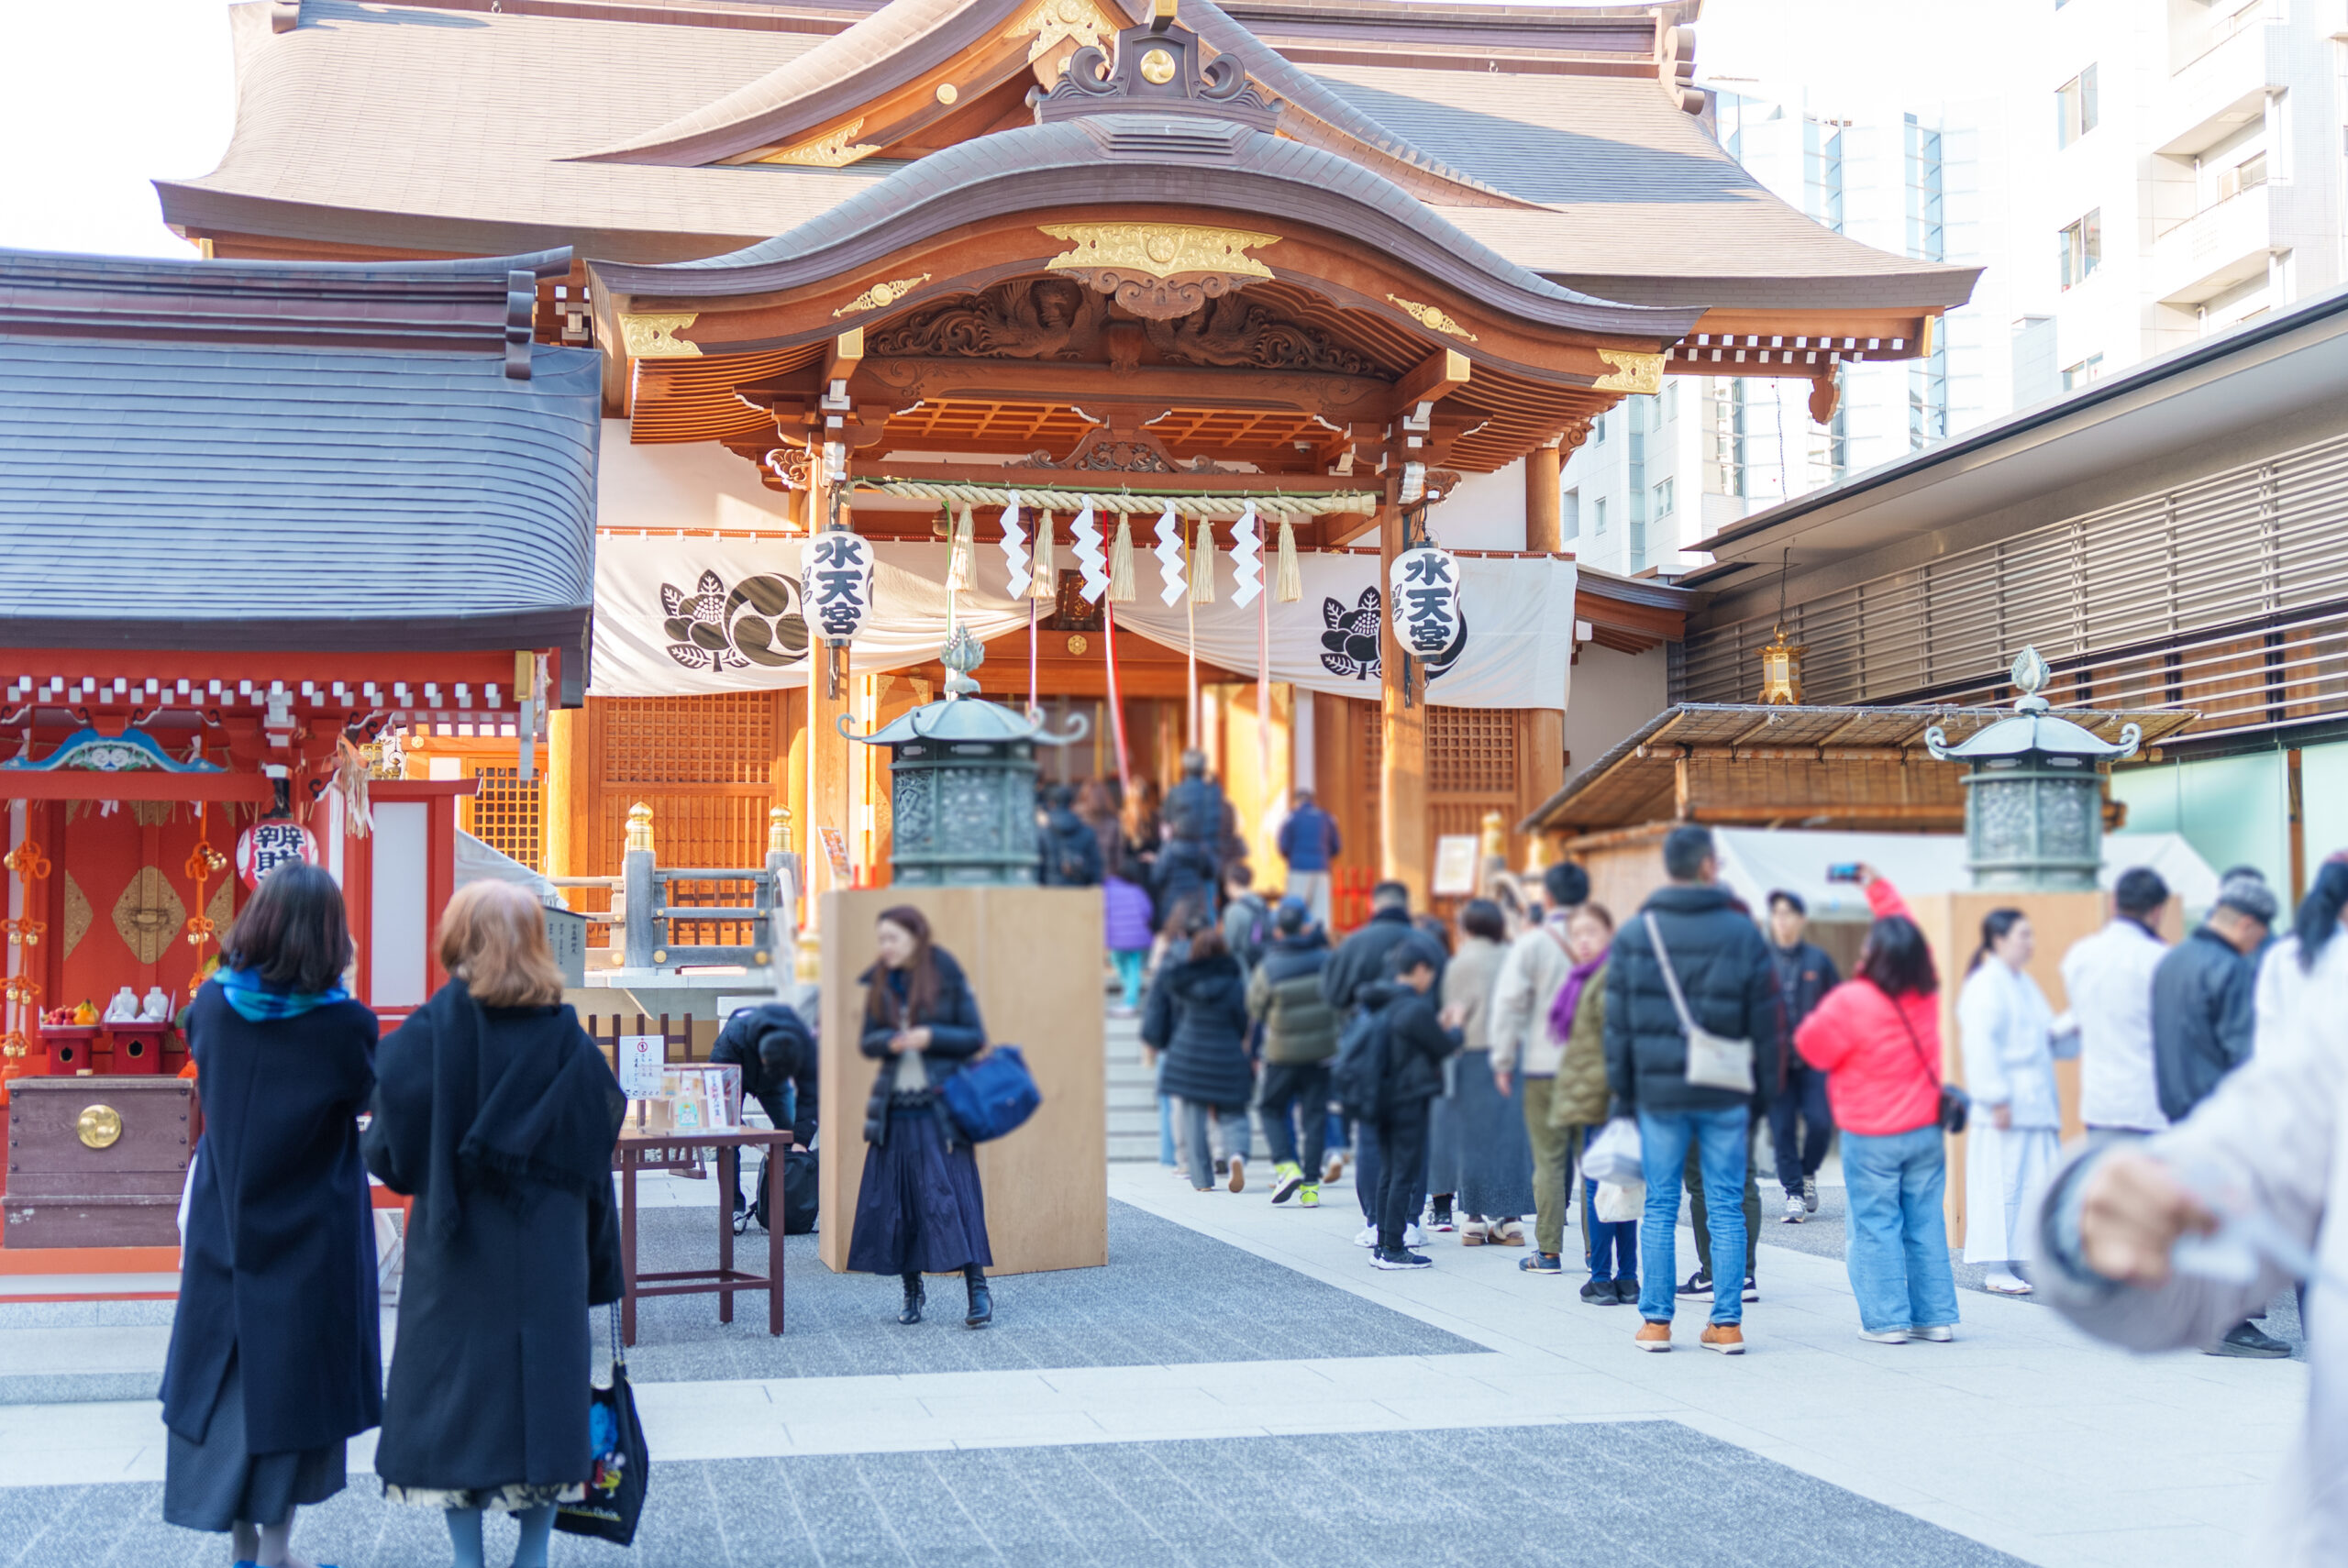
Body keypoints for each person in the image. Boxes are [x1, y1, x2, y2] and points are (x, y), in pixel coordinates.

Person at [2032, 871, 2348, 1560]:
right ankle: (2235, 1319)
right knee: (2178, 1214)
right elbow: (2272, 1118)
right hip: (2188, 1139)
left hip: (2143, 1112)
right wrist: (2091, 1213)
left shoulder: (2123, 958)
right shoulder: (2289, 975)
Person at [364, 881, 625, 1568]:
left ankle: (467, 1558)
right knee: (544, 1399)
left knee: (456, 1404)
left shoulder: (424, 1039)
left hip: (453, 1252)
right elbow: (594, 1165)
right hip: (548, 1255)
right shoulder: (571, 1047)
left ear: (458, 941)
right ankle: (532, 1553)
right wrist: (601, 1269)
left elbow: (389, 1158)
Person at [161, 863, 380, 1568]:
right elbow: (360, 1099)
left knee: (225, 1378)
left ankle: (243, 1549)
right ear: (328, 936)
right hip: (311, 1226)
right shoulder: (345, 1024)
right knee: (295, 1387)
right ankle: (280, 1551)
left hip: (226, 1217)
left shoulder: (212, 1007)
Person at [1604, 823, 1778, 1354]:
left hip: (1659, 1094)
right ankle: (1726, 1324)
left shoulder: (1639, 933)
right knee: (1724, 1203)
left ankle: (1656, 1323)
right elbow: (1767, 1021)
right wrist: (1765, 1094)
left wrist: (1623, 1095)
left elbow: (1617, 1024)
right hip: (1725, 1091)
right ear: (1707, 866)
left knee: (1660, 1204)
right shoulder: (1742, 933)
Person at [1792, 869, 1961, 1345]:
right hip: (1926, 1131)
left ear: (1872, 955)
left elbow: (1810, 1048)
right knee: (1925, 1221)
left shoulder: (1852, 1001)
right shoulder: (1925, 996)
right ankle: (1935, 1319)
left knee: (1875, 1225)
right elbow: (1909, 932)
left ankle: (1888, 1321)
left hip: (1873, 1135)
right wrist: (1876, 886)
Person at [2150, 868, 2286, 1357]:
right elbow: (2242, 1055)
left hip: (2180, 1109)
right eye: (2260, 932)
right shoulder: (2230, 968)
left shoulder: (2175, 959)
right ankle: (2233, 1326)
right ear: (2247, 923)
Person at [847, 906, 994, 1329]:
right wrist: (890, 1041)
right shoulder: (881, 980)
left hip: (943, 1110)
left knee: (957, 1198)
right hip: (896, 1112)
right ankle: (912, 1291)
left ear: (916, 937)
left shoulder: (944, 971)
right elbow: (868, 1041)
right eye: (881, 939)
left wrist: (931, 1036)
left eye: (892, 938)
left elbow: (973, 1036)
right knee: (899, 1203)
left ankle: (978, 1291)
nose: (885, 947)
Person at [1490, 861, 1594, 1275]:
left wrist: (1501, 1059)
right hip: (1592, 1070)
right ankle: (1596, 1253)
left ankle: (1548, 1252)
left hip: (1543, 1067)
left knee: (1549, 1160)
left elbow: (1509, 1005)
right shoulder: (1599, 942)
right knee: (1594, 1165)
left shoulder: (1532, 944)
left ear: (1547, 898)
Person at [1955, 907, 2063, 1296]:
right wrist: (1995, 1097)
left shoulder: (2022, 983)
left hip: (2032, 1099)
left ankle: (2021, 1257)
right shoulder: (1986, 985)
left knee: (2031, 1180)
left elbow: (2046, 1033)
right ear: (1999, 941)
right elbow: (1980, 1045)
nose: (2030, 943)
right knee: (2002, 1183)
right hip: (2003, 1101)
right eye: (2023, 935)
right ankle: (1996, 1267)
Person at [1358, 934, 1463, 1269]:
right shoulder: (1413, 1008)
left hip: (1382, 1100)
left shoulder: (1382, 1003)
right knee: (1403, 1174)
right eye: (1429, 973)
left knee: (1389, 1174)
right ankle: (1393, 1248)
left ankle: (1383, 1244)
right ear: (1419, 970)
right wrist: (1456, 1027)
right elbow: (1444, 1048)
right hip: (1408, 1102)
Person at [1545, 903, 1632, 1303]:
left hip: (1605, 1098)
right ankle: (1626, 1279)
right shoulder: (1589, 976)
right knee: (1623, 1183)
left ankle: (1603, 1278)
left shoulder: (1605, 977)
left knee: (1602, 1185)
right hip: (1604, 1095)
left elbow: (1611, 1042)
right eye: (1576, 933)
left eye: (1591, 932)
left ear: (1608, 935)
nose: (1582, 941)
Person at [1435, 899, 1531, 1246]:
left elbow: (1452, 1014)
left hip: (1472, 1057)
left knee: (1473, 1138)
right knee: (1510, 1136)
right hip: (1512, 1055)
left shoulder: (1461, 963)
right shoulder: (1513, 958)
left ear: (1467, 927)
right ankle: (1511, 1221)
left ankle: (1474, 1220)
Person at [1143, 923, 1257, 1192]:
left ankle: (1202, 1180)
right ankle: (1237, 1154)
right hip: (1225, 1051)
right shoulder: (1233, 983)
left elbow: (1171, 1016)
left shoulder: (1181, 981)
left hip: (1188, 1054)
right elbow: (1242, 1021)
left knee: (1193, 1117)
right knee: (1232, 1109)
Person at [2059, 867, 2170, 1140]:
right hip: (2149, 1103)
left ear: (2113, 903)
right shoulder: (2161, 959)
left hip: (2099, 1102)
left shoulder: (2079, 955)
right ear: (2157, 912)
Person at [1247, 898, 1336, 1207]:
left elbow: (1255, 1008)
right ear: (1306, 926)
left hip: (1281, 1053)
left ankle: (1287, 1165)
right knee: (1314, 1117)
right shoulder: (1327, 959)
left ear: (1279, 931)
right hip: (1322, 1053)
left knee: (1270, 1108)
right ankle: (1310, 1189)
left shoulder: (1269, 966)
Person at [1763, 889, 1840, 1223]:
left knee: (1821, 1123)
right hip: (1775, 1063)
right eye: (1776, 913)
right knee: (1781, 1130)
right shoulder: (1762, 961)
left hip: (1814, 1062)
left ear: (1801, 920)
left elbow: (1838, 1005)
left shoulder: (1818, 961)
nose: (1782, 920)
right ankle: (1794, 1193)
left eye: (1788, 913)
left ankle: (1808, 1173)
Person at [709, 999, 817, 1223]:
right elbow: (718, 1099)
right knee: (728, 1141)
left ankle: (785, 1204)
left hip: (773, 1082)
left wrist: (801, 1140)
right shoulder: (730, 1041)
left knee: (792, 1133)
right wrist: (745, 1132)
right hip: (735, 1073)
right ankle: (733, 1209)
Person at [1156, 749, 1231, 920]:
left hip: (1181, 854)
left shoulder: (1176, 792)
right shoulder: (1214, 793)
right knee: (1207, 905)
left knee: (1179, 906)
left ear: (1184, 768)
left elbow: (1166, 824)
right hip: (1209, 855)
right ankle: (1207, 942)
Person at [1277, 788, 1342, 928]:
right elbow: (1336, 846)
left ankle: (1296, 941)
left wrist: (1292, 857)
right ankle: (1322, 942)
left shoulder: (1292, 817)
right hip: (1321, 868)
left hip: (1299, 868)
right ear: (1313, 801)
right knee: (1321, 912)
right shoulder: (1327, 817)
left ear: (1297, 801)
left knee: (1296, 910)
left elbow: (1283, 845)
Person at [1103, 870, 1155, 1017]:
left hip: (1117, 937)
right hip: (1137, 936)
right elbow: (1148, 910)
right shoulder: (1137, 890)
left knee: (1117, 960)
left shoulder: (1106, 889)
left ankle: (1129, 998)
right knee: (1134, 966)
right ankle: (1130, 998)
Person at [1036, 783, 1103, 887]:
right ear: (1072, 805)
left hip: (1050, 894)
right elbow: (1096, 869)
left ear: (1050, 804)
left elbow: (1038, 871)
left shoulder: (1042, 833)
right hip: (1081, 894)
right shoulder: (1087, 832)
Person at [1220, 863, 1273, 977]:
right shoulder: (1261, 903)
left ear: (1232, 883)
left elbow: (1230, 944)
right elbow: (1258, 936)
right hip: (1262, 963)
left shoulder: (1233, 910)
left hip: (1243, 970)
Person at [1076, 778, 1126, 880]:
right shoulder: (1114, 822)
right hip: (1107, 877)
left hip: (1083, 877)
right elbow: (1120, 858)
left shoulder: (1078, 821)